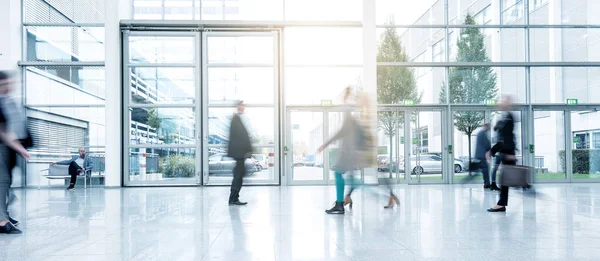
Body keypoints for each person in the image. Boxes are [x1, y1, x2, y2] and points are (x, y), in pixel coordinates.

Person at [317, 88, 364, 214]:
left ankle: (340, 204)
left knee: (339, 174)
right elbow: (342, 132)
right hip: (350, 152)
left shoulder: (348, 113)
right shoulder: (351, 117)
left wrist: (325, 144)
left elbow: (340, 132)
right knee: (348, 177)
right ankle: (344, 200)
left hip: (347, 152)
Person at [0, 71, 31, 234]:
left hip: (10, 148)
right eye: (3, 84)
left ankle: (4, 215)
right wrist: (20, 148)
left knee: (6, 182)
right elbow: (3, 130)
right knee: (3, 182)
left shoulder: (9, 101)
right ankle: (2, 219)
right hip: (5, 146)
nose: (8, 86)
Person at [487, 95, 517, 212]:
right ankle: (501, 204)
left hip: (507, 152)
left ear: (508, 103)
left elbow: (508, 137)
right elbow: (502, 137)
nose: (501, 103)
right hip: (504, 152)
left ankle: (526, 187)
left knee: (506, 179)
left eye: (504, 101)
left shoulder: (509, 117)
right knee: (505, 179)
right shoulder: (504, 117)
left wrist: (493, 151)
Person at [227, 101, 252, 206]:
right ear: (238, 106)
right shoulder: (236, 119)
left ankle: (234, 197)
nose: (244, 107)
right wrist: (248, 149)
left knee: (239, 174)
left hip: (240, 152)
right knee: (238, 175)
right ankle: (233, 198)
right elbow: (241, 136)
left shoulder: (237, 118)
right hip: (239, 153)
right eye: (242, 105)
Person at [474, 123, 494, 189]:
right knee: (485, 169)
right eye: (488, 128)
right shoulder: (482, 133)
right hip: (482, 155)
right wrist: (491, 150)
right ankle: (487, 184)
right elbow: (487, 144)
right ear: (486, 127)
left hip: (479, 154)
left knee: (481, 170)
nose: (489, 130)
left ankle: (486, 183)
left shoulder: (479, 133)